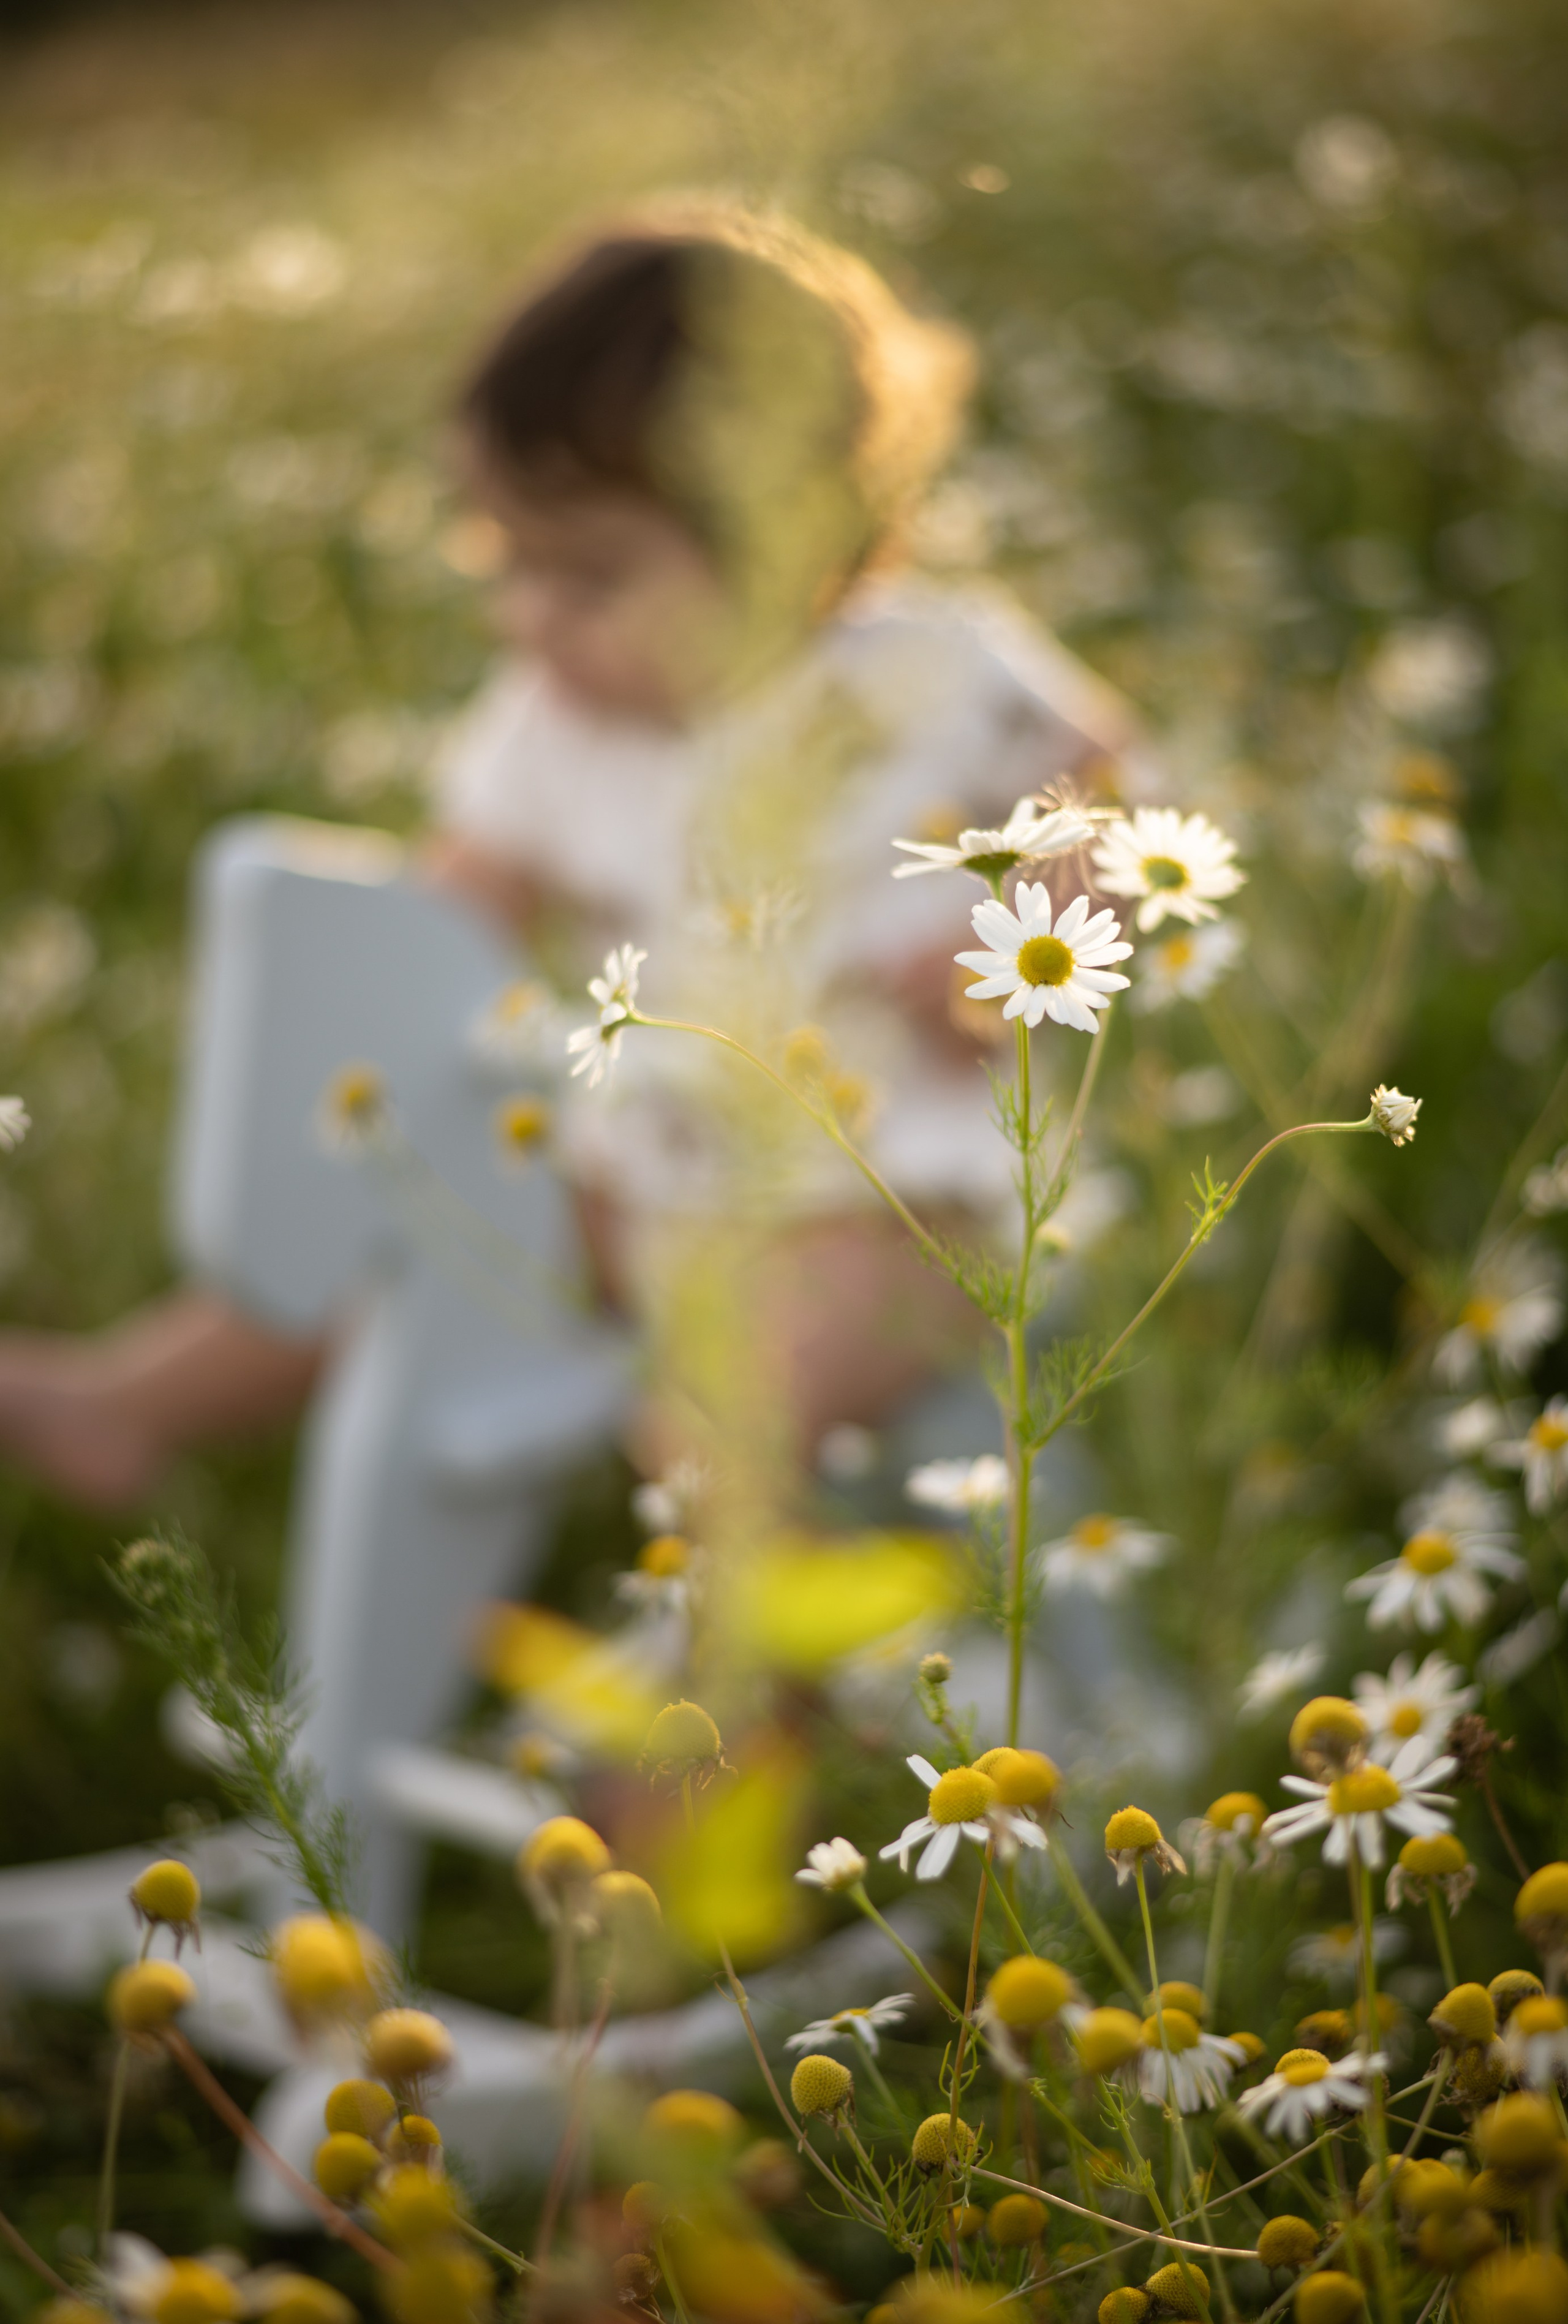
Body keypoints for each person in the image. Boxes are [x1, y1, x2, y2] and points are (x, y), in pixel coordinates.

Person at [0, 198, 1140, 1512]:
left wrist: (1017, 943)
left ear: (798, 539)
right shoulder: (551, 726)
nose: (530, 616)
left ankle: (719, 1702)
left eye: (588, 576)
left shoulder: (923, 668)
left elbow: (1112, 790)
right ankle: (128, 1400)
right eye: (505, 560)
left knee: (729, 1415)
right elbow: (450, 916)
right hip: (633, 1171)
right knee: (405, 1230)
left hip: (886, 1198)